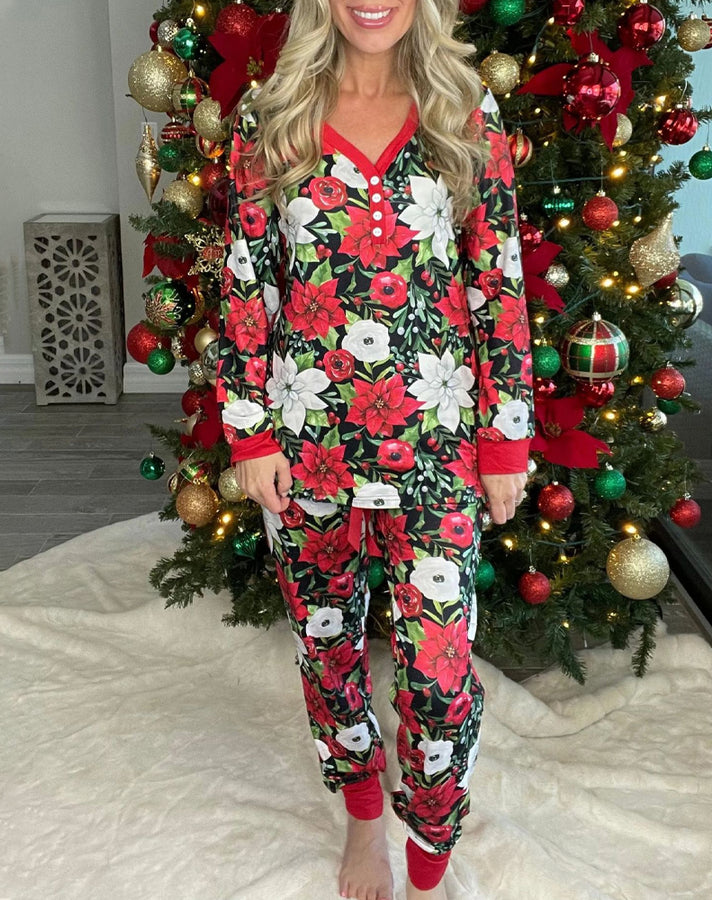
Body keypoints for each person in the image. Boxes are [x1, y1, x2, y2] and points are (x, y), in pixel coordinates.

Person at [216, 0, 533, 896]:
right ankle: (362, 815)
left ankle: (431, 844)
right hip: (307, 440)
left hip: (438, 443)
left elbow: (498, 279)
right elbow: (246, 280)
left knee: (437, 674)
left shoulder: (465, 110)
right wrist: (251, 428)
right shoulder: (272, 116)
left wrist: (506, 442)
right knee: (328, 648)